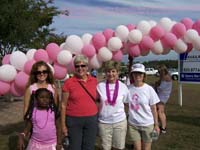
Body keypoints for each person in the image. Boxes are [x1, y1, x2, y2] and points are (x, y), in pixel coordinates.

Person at [61, 55, 98, 150]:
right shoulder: (68, 83)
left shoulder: (94, 81)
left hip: (91, 120)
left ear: (87, 67)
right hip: (74, 120)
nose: (80, 68)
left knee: (89, 147)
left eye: (83, 66)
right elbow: (63, 105)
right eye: (77, 66)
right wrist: (63, 125)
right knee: (74, 147)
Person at [97, 60, 130, 150]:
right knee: (105, 147)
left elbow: (127, 103)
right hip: (104, 122)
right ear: (105, 72)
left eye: (113, 71)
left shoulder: (123, 87)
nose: (111, 74)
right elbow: (96, 101)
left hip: (119, 122)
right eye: (108, 71)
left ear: (118, 72)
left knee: (118, 147)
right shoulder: (100, 86)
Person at [127, 63, 160, 150]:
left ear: (144, 75)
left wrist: (156, 125)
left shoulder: (149, 89)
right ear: (132, 75)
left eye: (140, 73)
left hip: (147, 124)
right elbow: (124, 103)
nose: (138, 75)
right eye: (135, 73)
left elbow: (154, 108)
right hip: (133, 125)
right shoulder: (128, 89)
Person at [155, 64, 172, 133]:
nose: (158, 72)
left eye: (159, 71)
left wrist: (156, 86)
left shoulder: (166, 77)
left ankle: (163, 127)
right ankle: (162, 126)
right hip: (161, 95)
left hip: (163, 96)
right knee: (160, 111)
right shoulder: (163, 76)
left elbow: (161, 87)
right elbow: (159, 83)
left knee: (160, 111)